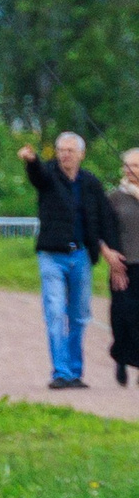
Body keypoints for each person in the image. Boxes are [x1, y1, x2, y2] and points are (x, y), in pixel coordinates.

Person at [21, 133, 119, 390]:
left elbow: (103, 217)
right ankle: (60, 372)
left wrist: (109, 249)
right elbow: (37, 176)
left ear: (81, 154)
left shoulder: (90, 183)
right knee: (55, 312)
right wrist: (31, 161)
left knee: (79, 316)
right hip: (52, 256)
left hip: (80, 256)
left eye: (70, 150)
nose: (65, 154)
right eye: (61, 150)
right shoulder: (49, 175)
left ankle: (75, 372)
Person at [109, 149, 139, 385]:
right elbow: (105, 230)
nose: (130, 170)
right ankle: (121, 357)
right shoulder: (115, 197)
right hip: (124, 265)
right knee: (123, 314)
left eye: (136, 166)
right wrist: (111, 257)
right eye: (127, 166)